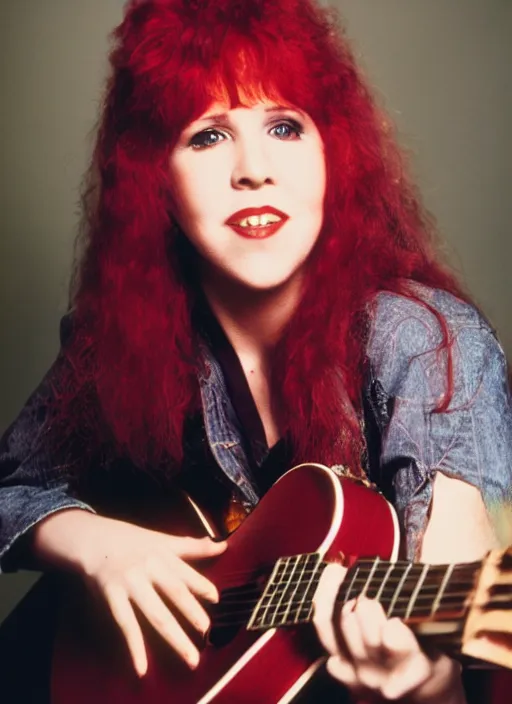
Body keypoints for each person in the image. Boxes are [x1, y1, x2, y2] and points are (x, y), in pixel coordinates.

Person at [0, 0, 510, 702]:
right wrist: (96, 548)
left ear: (336, 154)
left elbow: (458, 600)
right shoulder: (122, 342)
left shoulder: (424, 340)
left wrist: (426, 685)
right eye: (207, 135)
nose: (253, 169)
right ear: (158, 184)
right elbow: (11, 488)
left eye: (284, 125)